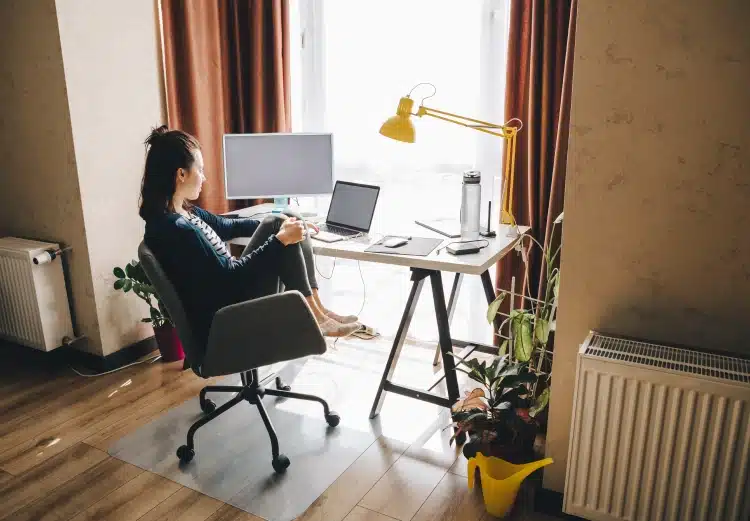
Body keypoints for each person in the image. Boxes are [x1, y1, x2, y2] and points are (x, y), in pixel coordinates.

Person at [140, 125, 360, 353]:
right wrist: (279, 240)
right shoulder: (177, 230)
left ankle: (319, 310)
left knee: (287, 219)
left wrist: (281, 226)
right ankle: (315, 315)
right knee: (282, 232)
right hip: (229, 314)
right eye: (201, 170)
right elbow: (230, 279)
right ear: (181, 174)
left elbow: (226, 226)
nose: (204, 178)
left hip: (232, 294)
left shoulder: (184, 213)